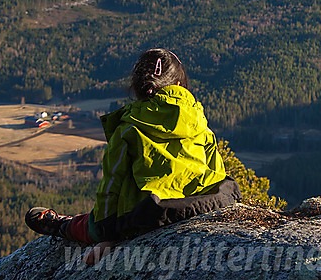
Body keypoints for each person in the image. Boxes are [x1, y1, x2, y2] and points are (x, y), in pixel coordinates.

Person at [25, 48, 241, 262]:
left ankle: (62, 225)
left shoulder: (128, 128)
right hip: (201, 204)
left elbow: (111, 188)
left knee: (92, 224)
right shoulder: (199, 121)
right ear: (178, 86)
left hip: (152, 213)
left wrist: (106, 232)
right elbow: (216, 172)